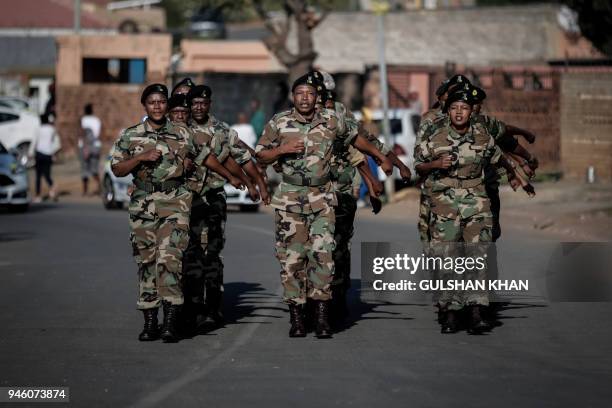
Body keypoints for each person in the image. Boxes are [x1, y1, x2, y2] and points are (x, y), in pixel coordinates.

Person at [256, 73, 386, 339]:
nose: (305, 98)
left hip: (322, 198)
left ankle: (323, 317)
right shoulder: (279, 122)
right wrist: (283, 150)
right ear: (293, 97)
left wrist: (380, 156)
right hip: (290, 199)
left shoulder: (331, 120)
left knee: (323, 257)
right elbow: (261, 154)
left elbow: (355, 139)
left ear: (317, 98)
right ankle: (297, 318)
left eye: (310, 93)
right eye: (299, 93)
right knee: (292, 260)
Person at [414, 88, 521, 335]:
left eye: (463, 108)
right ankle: (451, 312)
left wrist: (516, 176)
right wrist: (436, 164)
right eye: (454, 108)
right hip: (446, 204)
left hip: (477, 202)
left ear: (471, 111)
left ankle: (476, 311)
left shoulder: (482, 136)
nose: (459, 112)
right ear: (448, 111)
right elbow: (419, 166)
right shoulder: (435, 136)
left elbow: (499, 157)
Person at [111, 84, 198, 343]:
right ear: (145, 106)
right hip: (143, 205)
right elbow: (117, 169)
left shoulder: (183, 133)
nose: (157, 106)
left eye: (162, 101)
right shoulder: (131, 135)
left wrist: (188, 167)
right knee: (146, 262)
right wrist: (140, 158)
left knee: (170, 260)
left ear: (168, 105)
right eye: (152, 102)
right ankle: (150, 322)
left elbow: (197, 161)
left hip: (175, 203)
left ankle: (170, 323)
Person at [185, 85, 268, 329]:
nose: (199, 107)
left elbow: (241, 158)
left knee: (212, 254)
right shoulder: (179, 129)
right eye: (195, 103)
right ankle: (190, 307)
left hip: (212, 199)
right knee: (189, 255)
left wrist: (256, 184)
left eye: (203, 102)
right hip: (185, 201)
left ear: (210, 104)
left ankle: (212, 308)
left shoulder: (222, 130)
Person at [29, 114, 61, 202]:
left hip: (39, 154)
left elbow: (34, 141)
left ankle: (38, 196)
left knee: (38, 176)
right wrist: (53, 152)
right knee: (47, 175)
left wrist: (30, 153)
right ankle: (53, 188)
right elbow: (57, 143)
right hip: (48, 155)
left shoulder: (38, 129)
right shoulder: (52, 129)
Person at [79, 104, 102, 195]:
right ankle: (100, 187)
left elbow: (83, 134)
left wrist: (86, 148)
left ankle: (85, 191)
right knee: (94, 169)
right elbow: (98, 134)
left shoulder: (83, 120)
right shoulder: (97, 120)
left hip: (85, 146)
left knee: (85, 169)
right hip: (96, 146)